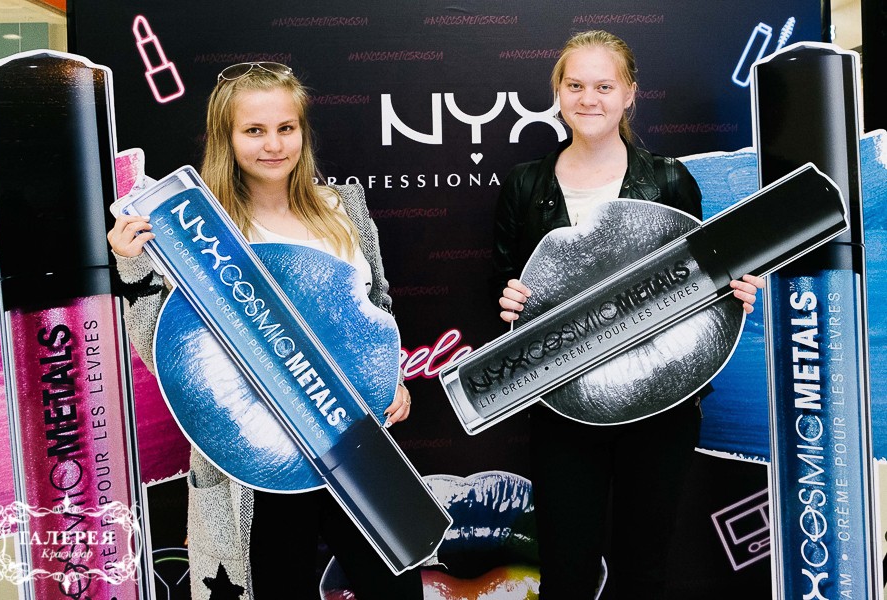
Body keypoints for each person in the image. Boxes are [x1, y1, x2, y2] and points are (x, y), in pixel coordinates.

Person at [107, 62, 421, 600]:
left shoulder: (342, 207)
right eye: (254, 130)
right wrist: (133, 268)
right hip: (255, 461)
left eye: (286, 128)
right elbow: (168, 357)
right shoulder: (197, 230)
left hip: (354, 446)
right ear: (226, 138)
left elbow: (376, 309)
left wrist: (390, 376)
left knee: (397, 587)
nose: (274, 145)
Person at [491, 31, 765, 599]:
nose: (588, 98)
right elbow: (507, 285)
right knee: (566, 573)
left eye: (604, 86)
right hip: (563, 404)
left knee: (643, 570)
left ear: (630, 94)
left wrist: (732, 295)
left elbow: (700, 288)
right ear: (558, 92)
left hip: (661, 402)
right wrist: (510, 301)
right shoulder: (523, 183)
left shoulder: (668, 179)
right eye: (575, 85)